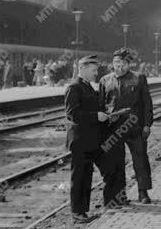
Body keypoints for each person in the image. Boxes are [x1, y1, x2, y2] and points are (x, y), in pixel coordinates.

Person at [65, 55, 123, 224]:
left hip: (92, 140)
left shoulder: (88, 87)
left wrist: (106, 115)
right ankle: (78, 213)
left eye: (97, 70)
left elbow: (93, 109)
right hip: (80, 141)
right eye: (93, 70)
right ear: (82, 68)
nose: (96, 73)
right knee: (80, 178)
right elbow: (72, 114)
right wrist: (96, 116)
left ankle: (110, 202)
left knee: (109, 168)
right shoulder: (74, 87)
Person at [99, 48, 154, 204]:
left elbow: (147, 103)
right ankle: (120, 194)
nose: (120, 66)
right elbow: (101, 105)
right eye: (117, 63)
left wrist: (147, 125)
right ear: (112, 63)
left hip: (135, 127)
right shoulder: (105, 81)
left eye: (123, 63)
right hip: (113, 128)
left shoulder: (139, 78)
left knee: (140, 159)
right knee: (116, 162)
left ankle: (143, 193)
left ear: (129, 64)